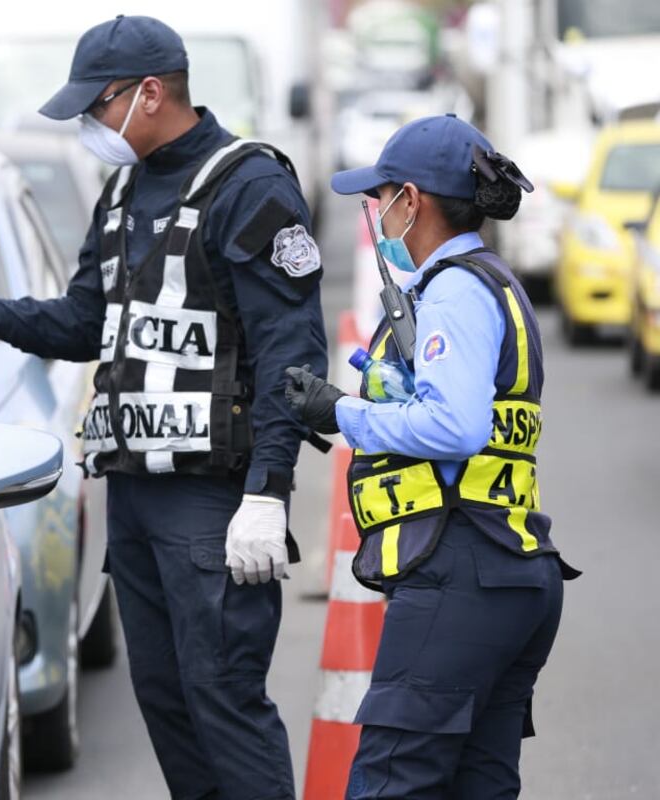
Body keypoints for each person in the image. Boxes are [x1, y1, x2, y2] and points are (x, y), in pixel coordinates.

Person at [0, 15, 327, 799]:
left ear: (150, 94)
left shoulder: (250, 187)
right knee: (168, 704)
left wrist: (268, 493)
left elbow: (293, 356)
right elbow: (83, 325)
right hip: (137, 501)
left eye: (96, 105)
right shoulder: (123, 191)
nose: (88, 123)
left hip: (215, 500)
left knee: (224, 702)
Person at [285, 115, 578, 799]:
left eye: (379, 198)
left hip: (461, 571)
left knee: (393, 780)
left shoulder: (455, 290)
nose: (375, 214)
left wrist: (341, 412)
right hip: (512, 568)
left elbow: (455, 425)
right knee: (479, 784)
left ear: (411, 201)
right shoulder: (496, 283)